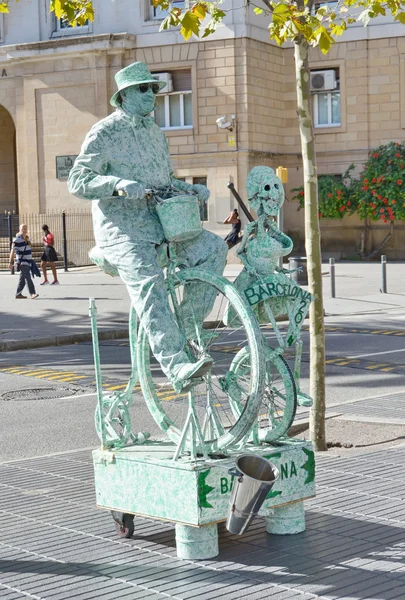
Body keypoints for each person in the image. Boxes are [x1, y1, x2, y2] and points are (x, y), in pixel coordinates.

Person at [68, 61, 227, 393]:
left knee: (215, 249)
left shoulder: (156, 133)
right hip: (124, 231)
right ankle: (177, 364)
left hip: (163, 224)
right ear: (124, 94)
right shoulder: (104, 132)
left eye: (154, 88)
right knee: (150, 286)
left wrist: (189, 189)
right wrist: (117, 184)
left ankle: (186, 328)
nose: (152, 94)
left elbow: (164, 181)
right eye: (144, 88)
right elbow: (77, 181)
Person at [8, 224, 39, 300]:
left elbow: (29, 249)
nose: (24, 230)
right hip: (22, 262)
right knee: (28, 277)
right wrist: (10, 262)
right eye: (22, 228)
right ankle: (32, 293)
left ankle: (18, 294)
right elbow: (12, 251)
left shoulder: (27, 238)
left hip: (28, 261)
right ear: (19, 229)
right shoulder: (17, 239)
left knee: (22, 279)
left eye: (25, 228)